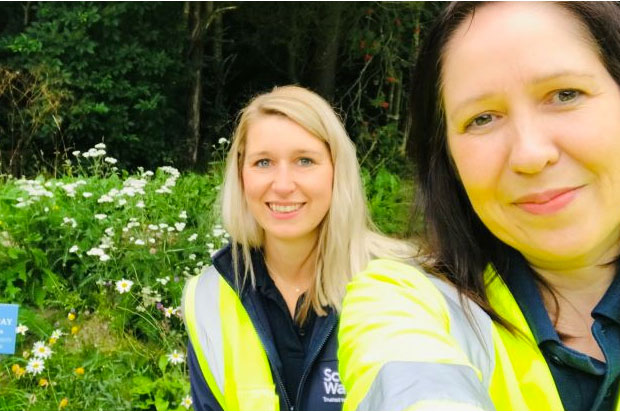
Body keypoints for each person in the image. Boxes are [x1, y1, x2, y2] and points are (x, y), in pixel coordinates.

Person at [338, 2, 620, 410]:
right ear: (447, 160)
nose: (529, 154)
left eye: (565, 94)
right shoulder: (407, 304)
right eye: (483, 119)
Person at [183, 85, 411, 410]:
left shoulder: (396, 288)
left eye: (305, 160)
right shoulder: (210, 296)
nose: (284, 185)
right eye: (263, 163)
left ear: (337, 170)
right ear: (240, 174)